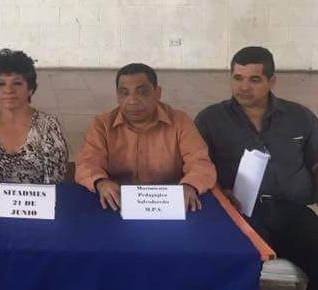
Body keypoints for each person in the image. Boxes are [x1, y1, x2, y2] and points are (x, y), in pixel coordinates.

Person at [195, 46, 318, 290]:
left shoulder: (299, 117)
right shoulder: (210, 119)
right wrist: (218, 192)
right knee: (229, 269)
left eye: (254, 79)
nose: (243, 87)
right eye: (237, 78)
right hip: (240, 215)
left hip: (292, 213)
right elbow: (198, 166)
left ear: (272, 81)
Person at [75, 63, 215, 211]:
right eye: (124, 93)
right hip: (117, 203)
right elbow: (86, 163)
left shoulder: (180, 122)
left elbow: (201, 163)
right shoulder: (102, 125)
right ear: (117, 96)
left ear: (158, 93)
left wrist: (189, 185)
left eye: (142, 92)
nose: (133, 101)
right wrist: (101, 182)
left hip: (169, 205)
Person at [0, 49, 68, 184]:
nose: (8, 90)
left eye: (17, 83)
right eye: (1, 84)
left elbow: (55, 185)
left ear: (30, 89)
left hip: (39, 198)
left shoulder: (48, 127)